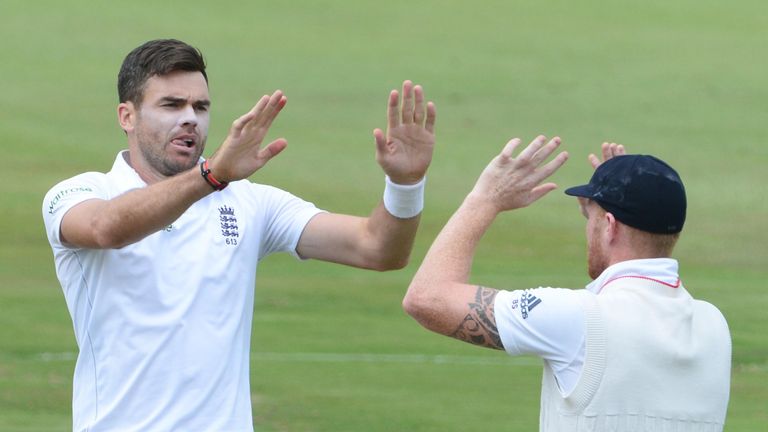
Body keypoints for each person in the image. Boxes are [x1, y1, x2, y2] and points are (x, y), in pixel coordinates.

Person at [42, 39, 436, 431]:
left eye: (201, 107)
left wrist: (405, 185)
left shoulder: (249, 202)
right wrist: (210, 176)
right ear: (126, 116)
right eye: (171, 105)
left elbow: (379, 249)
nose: (190, 119)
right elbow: (106, 228)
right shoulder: (79, 193)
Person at [403, 137, 731, 430]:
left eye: (591, 219)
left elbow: (426, 298)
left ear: (611, 228)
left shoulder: (575, 318)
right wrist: (617, 207)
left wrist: (484, 200)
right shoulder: (714, 326)